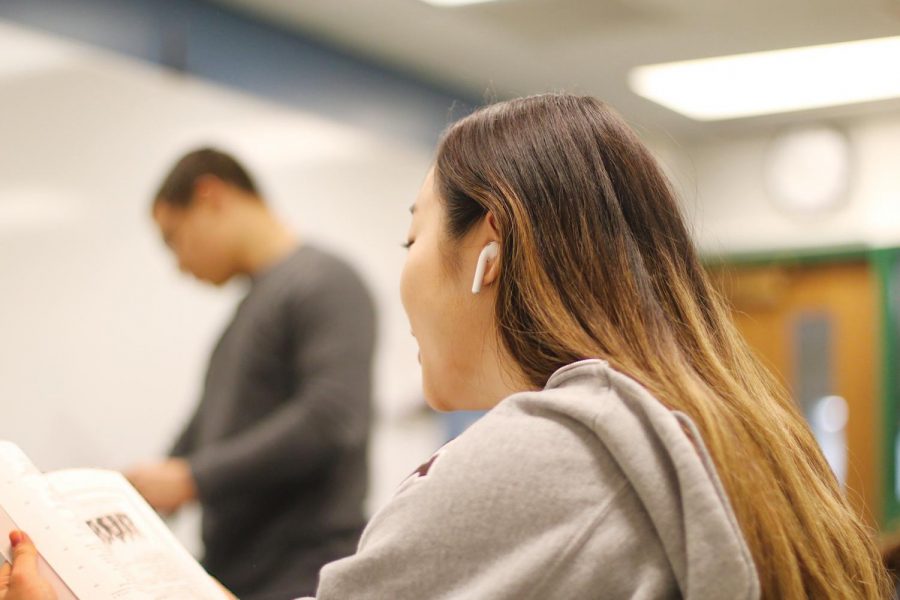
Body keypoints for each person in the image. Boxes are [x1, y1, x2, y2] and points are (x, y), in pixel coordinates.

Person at [2, 95, 890, 599]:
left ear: (488, 249)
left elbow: (327, 421)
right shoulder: (732, 433)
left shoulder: (554, 451)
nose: (403, 272)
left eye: (412, 236)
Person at [126, 148, 377, 599]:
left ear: (210, 197)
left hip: (301, 576)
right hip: (235, 575)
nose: (179, 264)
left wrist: (192, 478)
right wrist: (129, 493)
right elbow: (206, 430)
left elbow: (332, 417)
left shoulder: (325, 282)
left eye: (173, 238)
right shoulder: (247, 314)